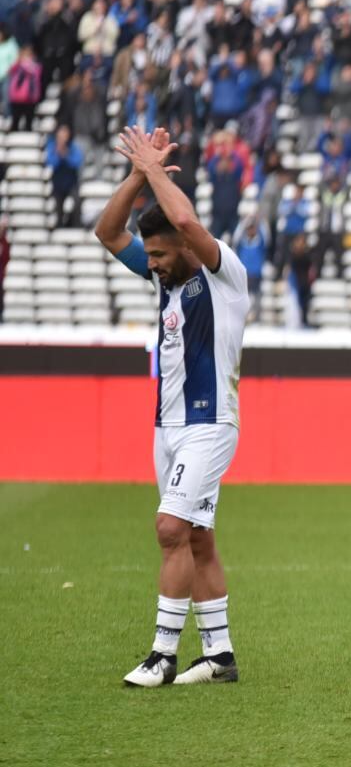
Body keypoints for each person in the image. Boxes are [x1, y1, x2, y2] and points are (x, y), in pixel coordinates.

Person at [93, 125, 250, 687]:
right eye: (151, 256)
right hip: (169, 427)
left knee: (168, 527)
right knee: (197, 537)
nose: (152, 264)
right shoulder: (168, 281)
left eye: (159, 255)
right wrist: (137, 175)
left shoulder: (224, 273)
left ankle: (162, 655)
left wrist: (156, 170)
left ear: (187, 249)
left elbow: (184, 221)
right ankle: (219, 656)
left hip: (211, 424)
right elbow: (107, 233)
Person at [47, 126, 85, 229]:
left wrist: (66, 155)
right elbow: (51, 163)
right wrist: (58, 153)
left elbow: (77, 163)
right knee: (58, 206)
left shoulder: (73, 147)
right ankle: (59, 225)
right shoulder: (53, 147)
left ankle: (77, 224)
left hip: (71, 182)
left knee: (77, 202)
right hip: (58, 183)